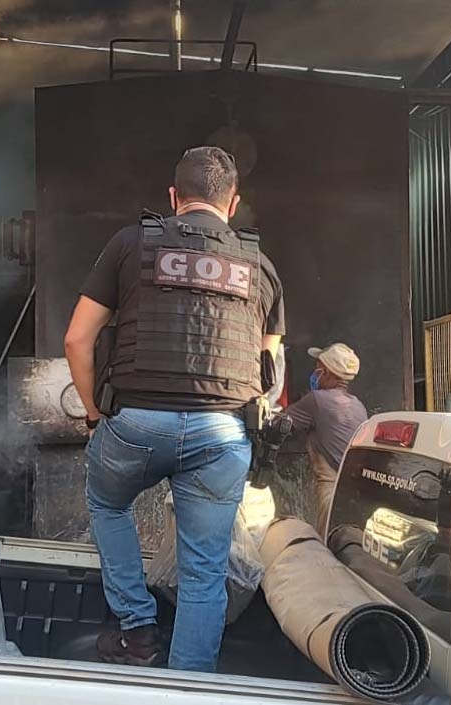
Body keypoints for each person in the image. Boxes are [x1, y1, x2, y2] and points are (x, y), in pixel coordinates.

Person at [63, 146, 285, 672]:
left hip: (136, 424)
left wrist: (95, 416)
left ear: (173, 197)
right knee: (204, 573)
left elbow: (77, 340)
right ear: (233, 204)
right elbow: (270, 371)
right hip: (222, 436)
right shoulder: (261, 267)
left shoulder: (129, 243)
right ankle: (190, 686)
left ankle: (137, 630)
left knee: (108, 503)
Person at [281, 343, 367, 531]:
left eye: (317, 369)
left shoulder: (317, 400)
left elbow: (280, 422)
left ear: (326, 373)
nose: (314, 373)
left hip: (332, 490)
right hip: (357, 491)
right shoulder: (358, 405)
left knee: (328, 539)